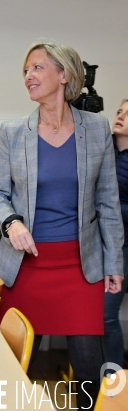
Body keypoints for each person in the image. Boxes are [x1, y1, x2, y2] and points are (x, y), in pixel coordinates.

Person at [0, 41, 124, 410]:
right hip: (25, 264)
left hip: (80, 267)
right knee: (10, 366)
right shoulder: (14, 132)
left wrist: (114, 263)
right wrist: (11, 222)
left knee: (88, 370)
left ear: (64, 75)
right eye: (26, 70)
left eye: (37, 68)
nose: (29, 76)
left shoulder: (95, 128)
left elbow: (108, 201)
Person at [104, 99, 128, 371]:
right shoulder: (103, 146)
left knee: (105, 316)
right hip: (94, 244)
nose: (120, 117)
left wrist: (108, 207)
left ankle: (114, 387)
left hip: (123, 248)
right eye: (119, 111)